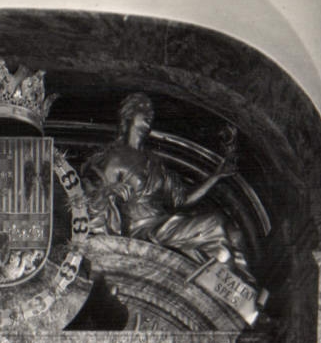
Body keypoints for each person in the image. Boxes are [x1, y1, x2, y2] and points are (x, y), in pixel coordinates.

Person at [85, 92, 254, 279]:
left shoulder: (155, 161)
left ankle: (236, 285)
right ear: (128, 114)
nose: (150, 114)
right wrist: (109, 191)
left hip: (164, 225)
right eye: (143, 109)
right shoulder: (115, 158)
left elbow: (182, 200)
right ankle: (230, 281)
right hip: (142, 231)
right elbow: (96, 203)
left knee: (225, 227)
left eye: (151, 111)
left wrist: (216, 176)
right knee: (215, 224)